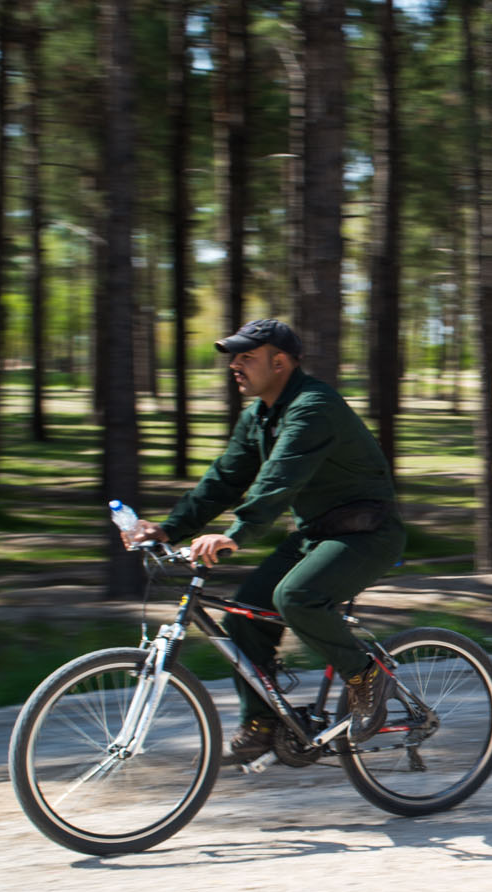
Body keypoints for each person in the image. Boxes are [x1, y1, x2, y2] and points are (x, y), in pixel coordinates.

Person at [118, 319, 405, 765]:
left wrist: (235, 535)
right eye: (234, 357)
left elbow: (278, 482)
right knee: (245, 614)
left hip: (367, 532)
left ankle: (368, 676)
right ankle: (263, 723)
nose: (235, 365)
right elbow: (225, 479)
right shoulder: (260, 414)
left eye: (246, 357)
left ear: (280, 362)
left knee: (296, 597)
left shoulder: (313, 406)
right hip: (317, 533)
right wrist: (168, 529)